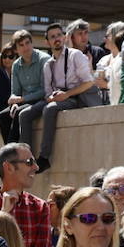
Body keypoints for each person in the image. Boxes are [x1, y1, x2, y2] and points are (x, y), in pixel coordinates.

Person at [36, 22, 99, 173]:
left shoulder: (75, 55)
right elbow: (47, 91)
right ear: (47, 42)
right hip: (60, 98)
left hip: (77, 97)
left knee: (49, 110)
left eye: (59, 35)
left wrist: (67, 94)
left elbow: (89, 82)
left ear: (64, 38)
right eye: (52, 37)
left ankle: (44, 157)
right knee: (25, 114)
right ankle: (24, 158)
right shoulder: (48, 64)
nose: (56, 39)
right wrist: (51, 96)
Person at [8, 29, 51, 151]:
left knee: (20, 113)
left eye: (27, 43)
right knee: (3, 116)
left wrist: (22, 100)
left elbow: (45, 90)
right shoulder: (16, 65)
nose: (25, 47)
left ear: (32, 43)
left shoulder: (44, 59)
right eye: (21, 45)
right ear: (16, 49)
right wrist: (15, 102)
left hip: (43, 98)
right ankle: (8, 152)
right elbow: (15, 91)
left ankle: (22, 155)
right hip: (25, 100)